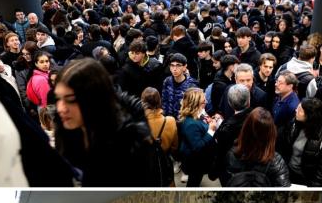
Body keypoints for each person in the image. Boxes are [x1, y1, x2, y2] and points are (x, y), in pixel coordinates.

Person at [53, 58, 154, 186]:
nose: (61, 108)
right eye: (58, 98)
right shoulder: (64, 131)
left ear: (93, 99)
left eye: (71, 100)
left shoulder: (128, 145)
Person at [278, 98, 322, 187]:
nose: (296, 110)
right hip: (289, 171)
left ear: (309, 115)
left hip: (306, 180)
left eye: (300, 110)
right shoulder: (295, 122)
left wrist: (312, 189)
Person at [224, 108, 290, 187]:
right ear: (271, 133)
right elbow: (283, 194)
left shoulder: (232, 155)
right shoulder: (277, 163)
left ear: (245, 128)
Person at [177, 88, 216, 187]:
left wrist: (210, 120)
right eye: (203, 101)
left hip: (199, 159)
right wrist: (211, 131)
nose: (206, 102)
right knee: (193, 183)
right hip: (195, 162)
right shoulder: (191, 124)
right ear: (195, 104)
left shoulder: (199, 112)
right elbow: (197, 147)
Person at [161, 54, 199, 119]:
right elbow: (164, 101)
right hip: (168, 120)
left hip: (183, 121)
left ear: (184, 67)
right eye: (172, 65)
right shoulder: (167, 81)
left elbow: (193, 108)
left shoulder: (192, 85)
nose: (174, 69)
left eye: (178, 65)